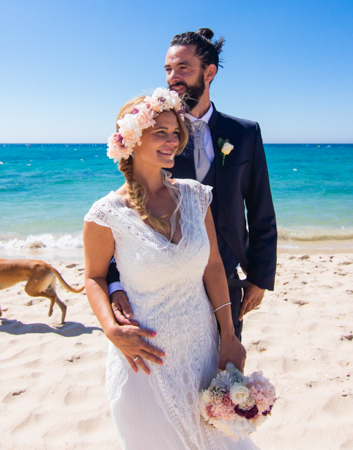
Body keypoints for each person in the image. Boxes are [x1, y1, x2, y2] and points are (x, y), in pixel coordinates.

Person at [83, 88, 258, 450]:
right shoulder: (105, 215)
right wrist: (111, 329)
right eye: (160, 131)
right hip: (145, 365)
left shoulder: (196, 196)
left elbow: (212, 266)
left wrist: (229, 335)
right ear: (131, 138)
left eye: (175, 132)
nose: (172, 140)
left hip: (203, 354)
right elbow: (95, 277)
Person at [108, 28, 277, 349]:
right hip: (168, 281)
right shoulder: (156, 135)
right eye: (168, 69)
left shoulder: (244, 133)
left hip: (228, 277)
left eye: (183, 68)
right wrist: (115, 283)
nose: (173, 77)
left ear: (209, 72)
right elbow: (128, 210)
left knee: (224, 373)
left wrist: (259, 277)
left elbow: (260, 209)